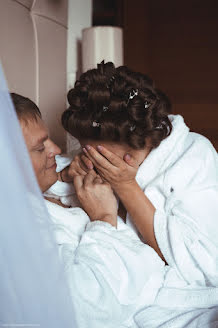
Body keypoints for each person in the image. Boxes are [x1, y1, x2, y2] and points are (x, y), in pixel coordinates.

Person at [60, 62, 218, 327]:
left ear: (144, 142)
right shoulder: (80, 164)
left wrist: (126, 185)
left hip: (192, 302)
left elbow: (206, 266)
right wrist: (65, 175)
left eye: (111, 160)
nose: (100, 167)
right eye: (91, 155)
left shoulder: (193, 156)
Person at [10, 92, 166, 328]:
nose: (56, 148)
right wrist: (103, 219)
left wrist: (62, 177)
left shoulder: (51, 178)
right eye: (40, 148)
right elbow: (86, 310)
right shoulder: (16, 233)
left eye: (48, 139)